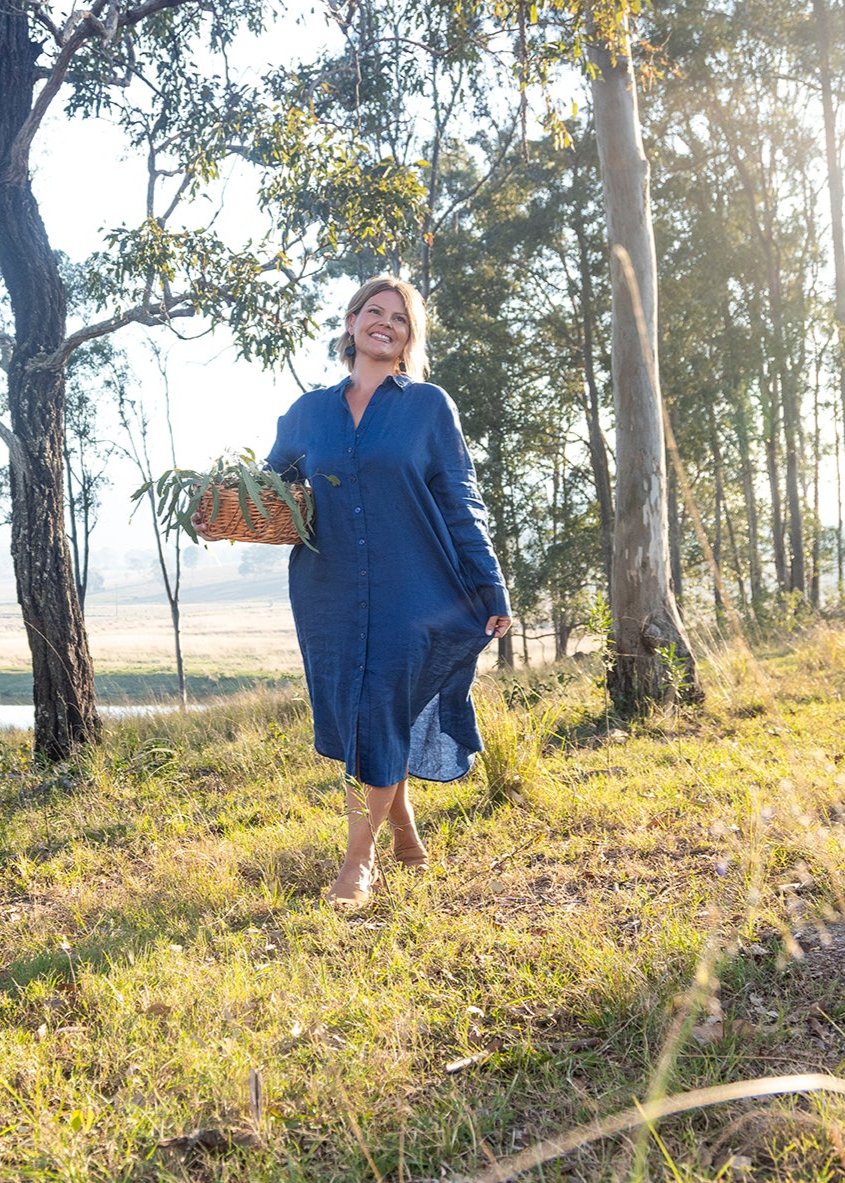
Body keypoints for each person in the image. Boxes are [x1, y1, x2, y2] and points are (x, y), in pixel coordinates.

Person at [195, 277, 511, 906]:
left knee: (381, 705)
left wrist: (489, 581)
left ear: (407, 339)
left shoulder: (427, 408)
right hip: (330, 590)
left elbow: (460, 497)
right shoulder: (307, 414)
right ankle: (407, 837)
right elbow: (269, 489)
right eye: (374, 312)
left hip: (415, 586)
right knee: (365, 709)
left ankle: (356, 863)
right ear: (351, 322)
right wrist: (218, 508)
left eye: (399, 318)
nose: (385, 323)